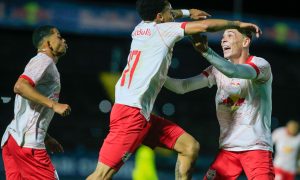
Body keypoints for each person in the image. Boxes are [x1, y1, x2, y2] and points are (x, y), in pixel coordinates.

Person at [87, 0, 262, 179]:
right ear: (160, 17)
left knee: (189, 147)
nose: (173, 15)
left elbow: (170, 15)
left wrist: (187, 11)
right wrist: (237, 23)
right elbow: (204, 26)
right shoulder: (163, 30)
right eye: (170, 13)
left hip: (141, 114)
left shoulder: (140, 28)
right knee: (101, 175)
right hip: (130, 115)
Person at [164, 29, 274, 179]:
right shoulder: (217, 70)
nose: (223, 40)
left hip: (256, 149)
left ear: (245, 41)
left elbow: (233, 71)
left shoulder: (260, 65)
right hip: (227, 151)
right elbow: (183, 87)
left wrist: (206, 51)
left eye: (230, 36)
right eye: (223, 37)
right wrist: (157, 76)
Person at [1, 25, 71, 180]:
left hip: (12, 139)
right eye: (58, 36)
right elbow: (20, 86)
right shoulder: (44, 60)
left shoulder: (44, 64)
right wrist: (54, 105)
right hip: (28, 145)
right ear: (47, 43)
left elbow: (31, 108)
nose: (64, 40)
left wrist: (46, 137)